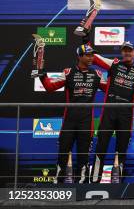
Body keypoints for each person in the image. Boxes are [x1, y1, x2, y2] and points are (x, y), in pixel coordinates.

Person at [39, 44, 107, 183]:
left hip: (87, 122)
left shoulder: (97, 75)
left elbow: (111, 89)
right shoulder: (68, 72)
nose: (91, 58)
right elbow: (50, 87)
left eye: (92, 55)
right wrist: (41, 74)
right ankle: (58, 184)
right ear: (79, 56)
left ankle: (82, 186)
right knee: (63, 153)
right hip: (69, 120)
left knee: (83, 156)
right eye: (88, 55)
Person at [91, 41, 134, 183]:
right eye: (125, 50)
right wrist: (85, 37)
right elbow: (95, 57)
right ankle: (94, 180)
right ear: (122, 52)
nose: (127, 53)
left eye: (130, 50)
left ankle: (117, 181)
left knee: (122, 146)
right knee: (101, 145)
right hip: (109, 110)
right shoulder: (114, 64)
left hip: (126, 113)